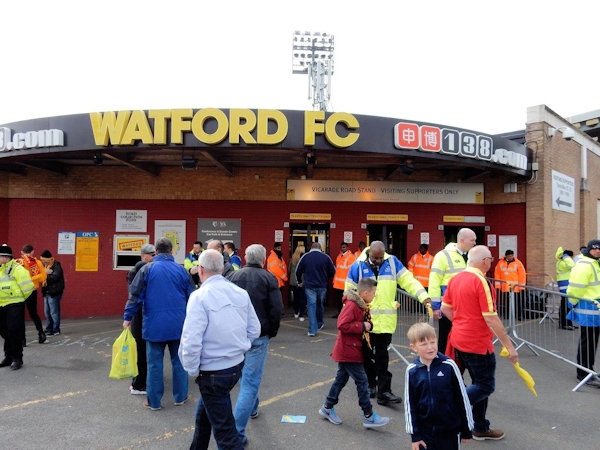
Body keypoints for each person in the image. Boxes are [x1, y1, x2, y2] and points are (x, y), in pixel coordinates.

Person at [179, 249, 261, 450]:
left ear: (200, 270)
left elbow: (191, 341)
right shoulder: (240, 293)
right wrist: (238, 349)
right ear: (223, 268)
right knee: (205, 414)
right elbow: (254, 329)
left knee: (226, 435)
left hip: (212, 372)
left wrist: (192, 369)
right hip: (234, 367)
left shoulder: (199, 297)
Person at [441, 245, 518, 441]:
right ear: (484, 261)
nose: (491, 263)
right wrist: (509, 346)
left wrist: (461, 323)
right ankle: (450, 411)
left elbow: (445, 308)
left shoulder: (456, 278)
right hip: (476, 343)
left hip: (459, 338)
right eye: (490, 259)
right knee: (485, 386)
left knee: (476, 383)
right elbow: (491, 318)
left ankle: (480, 426)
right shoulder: (481, 281)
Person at [346, 241, 431, 406]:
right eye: (375, 258)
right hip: (365, 321)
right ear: (369, 253)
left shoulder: (392, 262)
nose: (378, 261)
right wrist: (351, 316)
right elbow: (349, 291)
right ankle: (371, 384)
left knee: (382, 357)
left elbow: (408, 280)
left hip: (384, 322)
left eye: (380, 257)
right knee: (366, 355)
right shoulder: (357, 265)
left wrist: (424, 297)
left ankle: (384, 391)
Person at [123, 237, 194, 411]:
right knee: (179, 362)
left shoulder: (147, 269)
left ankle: (154, 402)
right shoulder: (181, 271)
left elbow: (135, 295)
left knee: (154, 364)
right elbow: (192, 296)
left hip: (154, 326)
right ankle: (180, 396)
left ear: (156, 252)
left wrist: (127, 317)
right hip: (178, 325)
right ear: (171, 252)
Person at [228, 244, 283, 443]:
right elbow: (276, 309)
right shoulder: (269, 278)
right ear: (263, 260)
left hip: (236, 336)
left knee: (246, 376)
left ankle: (252, 407)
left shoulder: (233, 277)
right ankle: (236, 433)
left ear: (245, 257)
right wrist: (272, 332)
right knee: (250, 381)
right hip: (258, 336)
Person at [319, 278, 389, 429]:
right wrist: (362, 325)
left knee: (341, 379)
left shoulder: (361, 305)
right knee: (362, 381)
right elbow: (342, 324)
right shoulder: (352, 305)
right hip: (348, 350)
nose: (374, 296)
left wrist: (368, 324)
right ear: (365, 293)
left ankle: (327, 407)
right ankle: (368, 415)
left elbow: (360, 323)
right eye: (373, 293)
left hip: (351, 348)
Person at [405, 322, 473, 450]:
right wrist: (415, 435)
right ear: (414, 347)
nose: (430, 347)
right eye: (423, 344)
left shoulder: (449, 366)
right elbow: (410, 404)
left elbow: (462, 398)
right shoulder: (412, 371)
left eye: (432, 342)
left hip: (450, 432)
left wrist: (466, 429)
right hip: (425, 434)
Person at [429, 228, 476, 355]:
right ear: (462, 240)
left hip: (465, 306)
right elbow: (434, 281)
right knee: (446, 338)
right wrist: (435, 306)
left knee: (463, 339)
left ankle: (457, 365)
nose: (474, 243)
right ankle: (443, 367)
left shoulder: (471, 256)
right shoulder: (443, 255)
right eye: (472, 240)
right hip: (448, 306)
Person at [567, 239, 600, 387]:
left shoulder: (593, 262)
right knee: (588, 343)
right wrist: (573, 303)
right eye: (595, 249)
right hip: (589, 310)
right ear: (589, 249)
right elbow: (575, 288)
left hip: (594, 310)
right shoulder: (586, 264)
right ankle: (583, 374)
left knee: (591, 343)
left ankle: (588, 371)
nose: (598, 251)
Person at [125, 243, 156, 396]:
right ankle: (139, 383)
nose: (154, 257)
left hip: (148, 316)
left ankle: (143, 380)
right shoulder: (137, 271)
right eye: (152, 254)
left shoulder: (151, 270)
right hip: (140, 317)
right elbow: (134, 296)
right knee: (141, 350)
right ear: (144, 256)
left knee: (147, 350)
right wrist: (128, 316)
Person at [0, 245, 34, 370]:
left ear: (5, 257)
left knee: (14, 331)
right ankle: (8, 357)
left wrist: (18, 299)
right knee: (4, 331)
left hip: (15, 304)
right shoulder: (1, 269)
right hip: (1, 305)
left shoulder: (18, 269)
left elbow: (28, 287)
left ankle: (17, 358)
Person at [295, 242, 336, 336]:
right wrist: (326, 277)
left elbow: (298, 271)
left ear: (311, 248)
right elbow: (333, 271)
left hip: (310, 286)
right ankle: (320, 323)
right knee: (320, 304)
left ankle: (312, 330)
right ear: (320, 248)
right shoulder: (326, 257)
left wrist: (299, 282)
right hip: (322, 285)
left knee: (311, 306)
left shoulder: (305, 257)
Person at [16, 244, 47, 344]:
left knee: (21, 315)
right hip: (32, 291)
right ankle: (41, 334)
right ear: (32, 252)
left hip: (20, 292)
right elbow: (43, 278)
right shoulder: (37, 262)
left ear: (22, 252)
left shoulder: (18, 262)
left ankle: (22, 339)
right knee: (34, 314)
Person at [494, 249, 526, 321]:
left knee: (517, 302)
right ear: (506, 256)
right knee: (507, 302)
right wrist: (498, 286)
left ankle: (519, 315)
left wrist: (522, 286)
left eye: (511, 256)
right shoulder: (500, 263)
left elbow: (522, 275)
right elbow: (497, 274)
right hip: (505, 287)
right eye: (509, 256)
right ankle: (508, 314)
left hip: (515, 287)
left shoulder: (518, 263)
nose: (510, 257)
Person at [40, 250, 65, 336]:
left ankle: (56, 329)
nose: (42, 261)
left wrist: (46, 274)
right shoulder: (45, 266)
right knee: (47, 311)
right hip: (46, 291)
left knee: (54, 312)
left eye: (44, 260)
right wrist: (45, 273)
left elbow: (55, 277)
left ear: (49, 259)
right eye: (42, 260)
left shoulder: (56, 265)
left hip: (54, 292)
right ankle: (49, 328)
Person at [332, 242, 356, 318]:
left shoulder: (351, 257)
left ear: (348, 248)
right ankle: (340, 313)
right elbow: (337, 270)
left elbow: (352, 270)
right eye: (342, 247)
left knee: (345, 301)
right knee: (339, 300)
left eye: (344, 247)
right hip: (338, 283)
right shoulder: (339, 256)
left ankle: (345, 315)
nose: (343, 249)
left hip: (345, 283)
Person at [555, 247, 576, 330]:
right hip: (566, 285)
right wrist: (566, 257)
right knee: (566, 306)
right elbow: (573, 265)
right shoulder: (564, 262)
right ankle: (565, 323)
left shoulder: (560, 262)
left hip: (564, 285)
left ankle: (567, 323)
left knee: (565, 305)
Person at [288, 245, 306, 321]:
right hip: (302, 281)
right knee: (302, 298)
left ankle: (296, 312)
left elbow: (289, 270)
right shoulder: (304, 259)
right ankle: (301, 315)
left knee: (296, 298)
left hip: (293, 281)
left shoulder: (292, 259)